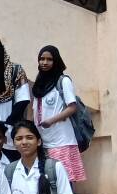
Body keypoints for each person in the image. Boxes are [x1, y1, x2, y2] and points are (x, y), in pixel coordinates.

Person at [31, 45, 87, 183]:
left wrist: (51, 121)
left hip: (61, 141)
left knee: (64, 180)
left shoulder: (63, 81)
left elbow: (72, 107)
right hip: (44, 140)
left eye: (49, 59)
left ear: (56, 61)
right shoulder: (39, 84)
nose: (44, 62)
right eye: (42, 59)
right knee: (48, 180)